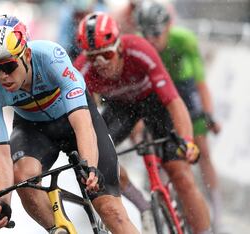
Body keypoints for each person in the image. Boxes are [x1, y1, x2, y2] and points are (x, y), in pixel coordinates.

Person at [0, 15, 139, 234]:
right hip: (33, 128)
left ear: (27, 54)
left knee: (112, 212)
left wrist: (89, 166)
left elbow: (82, 124)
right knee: (23, 178)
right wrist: (3, 201)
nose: (3, 76)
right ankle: (59, 230)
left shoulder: (51, 58)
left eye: (8, 66)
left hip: (74, 119)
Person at [74, 12, 212, 234]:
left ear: (119, 47)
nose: (100, 64)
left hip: (154, 102)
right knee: (97, 158)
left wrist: (187, 141)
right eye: (93, 57)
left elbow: (174, 101)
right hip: (121, 108)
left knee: (181, 174)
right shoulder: (82, 70)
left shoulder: (138, 49)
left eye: (107, 55)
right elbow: (82, 124)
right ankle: (143, 205)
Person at [136, 1, 223, 232]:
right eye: (146, 33)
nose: (151, 39)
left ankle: (217, 214)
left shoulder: (183, 40)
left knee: (202, 149)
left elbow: (200, 83)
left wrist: (209, 115)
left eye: (156, 32)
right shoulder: (140, 44)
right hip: (158, 97)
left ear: (168, 27)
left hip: (183, 90)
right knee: (156, 148)